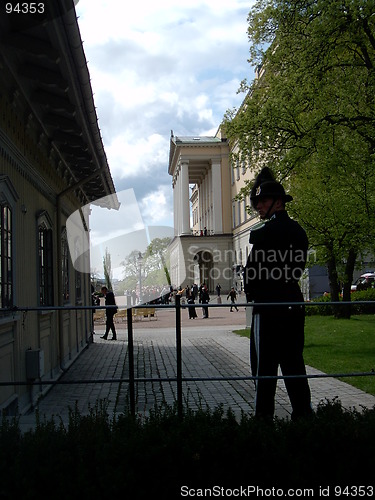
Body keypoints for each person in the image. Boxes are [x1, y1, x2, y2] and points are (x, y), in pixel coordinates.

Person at [243, 167, 313, 421]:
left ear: (278, 202)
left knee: (264, 371)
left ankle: (263, 422)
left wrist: (252, 291)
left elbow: (252, 274)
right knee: (294, 366)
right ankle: (304, 417)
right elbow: (296, 270)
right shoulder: (298, 231)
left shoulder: (263, 233)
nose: (258, 207)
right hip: (292, 306)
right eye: (257, 202)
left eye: (262, 201)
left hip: (268, 309)